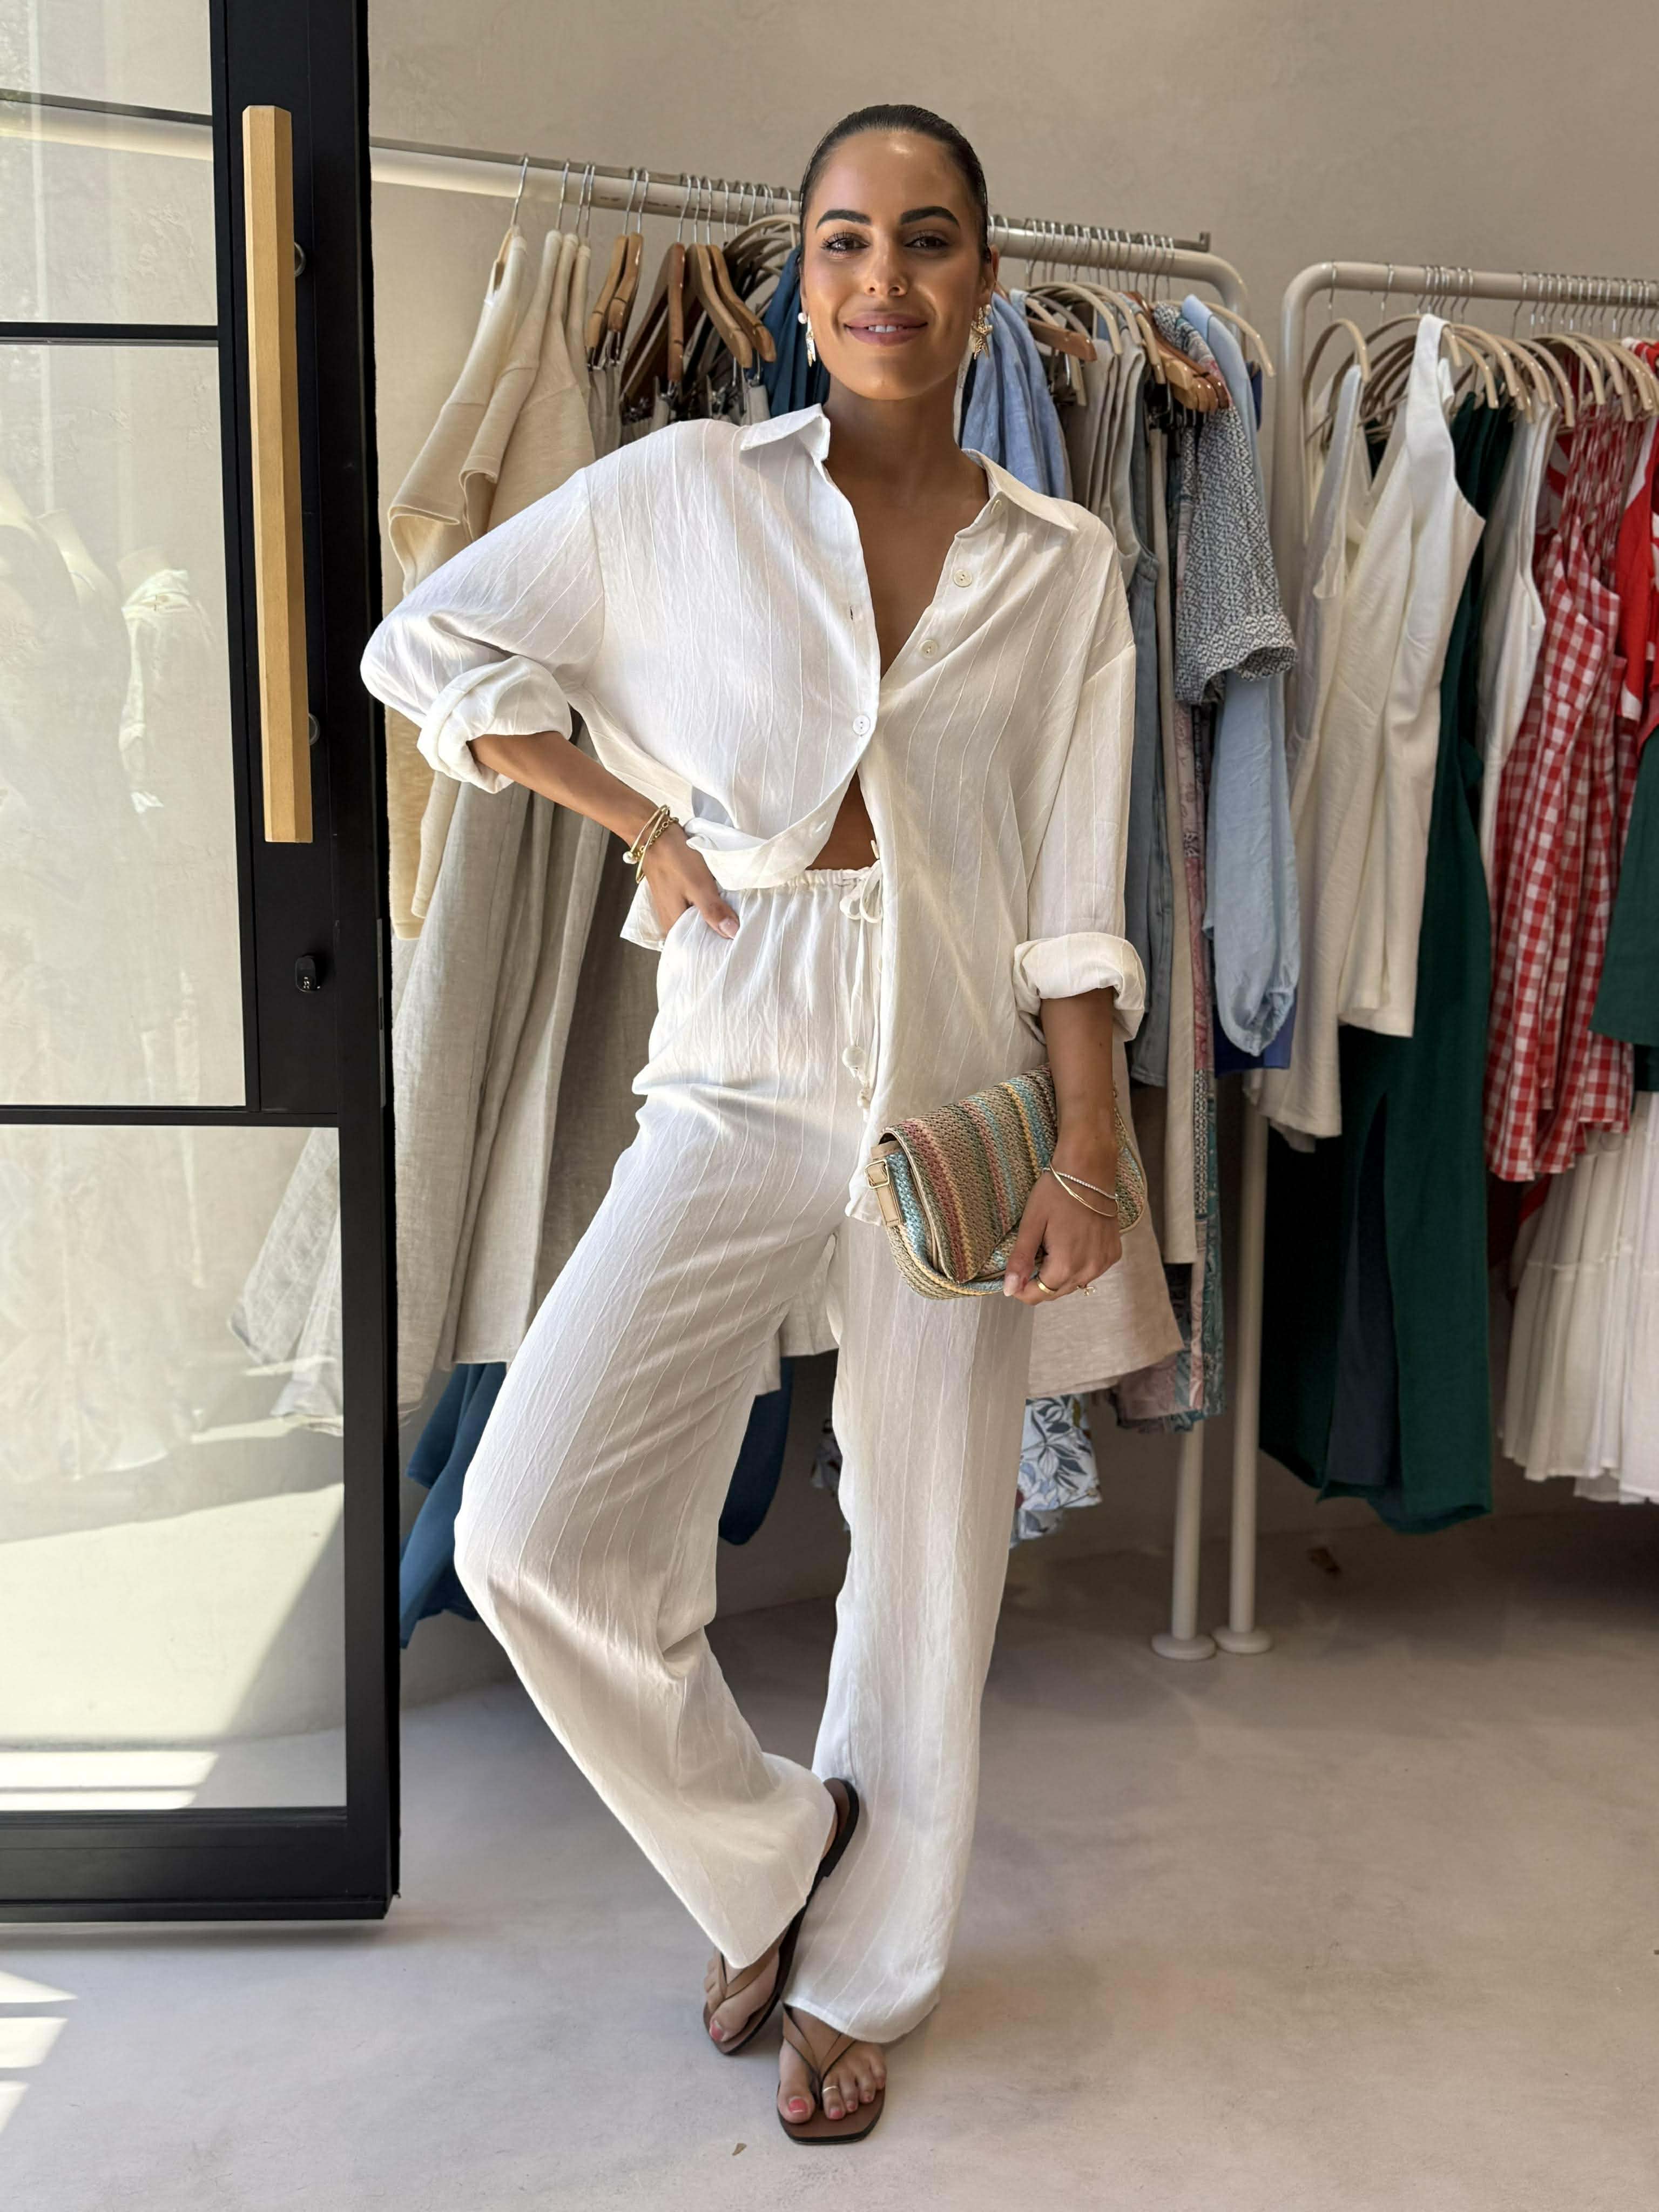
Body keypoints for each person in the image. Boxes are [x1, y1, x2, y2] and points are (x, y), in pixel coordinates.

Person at [360, 102, 1142, 2146]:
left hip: (958, 1083)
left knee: (927, 1560)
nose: (887, 277)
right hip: (735, 1057)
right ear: (801, 279)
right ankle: (774, 1856)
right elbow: (422, 642)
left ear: (986, 279)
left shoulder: (1070, 566)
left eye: (930, 238)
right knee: (531, 1528)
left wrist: (1089, 1157)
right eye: (847, 239)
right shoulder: (684, 491)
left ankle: (863, 1975)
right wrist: (634, 816)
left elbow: (1078, 895)